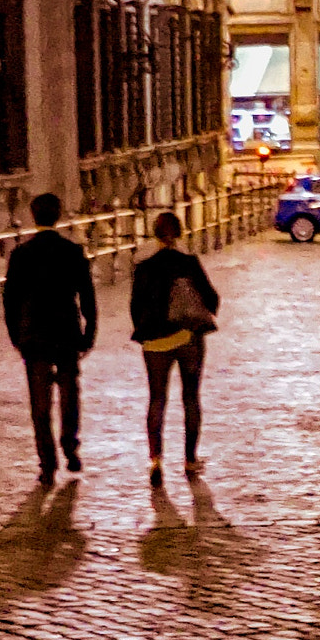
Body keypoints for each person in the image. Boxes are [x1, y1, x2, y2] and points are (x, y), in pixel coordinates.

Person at [2, 193, 97, 485]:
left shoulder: (21, 254)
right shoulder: (72, 251)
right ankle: (70, 447)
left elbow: (10, 300)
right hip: (66, 331)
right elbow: (88, 296)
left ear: (33, 216)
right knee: (70, 396)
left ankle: (47, 463)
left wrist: (16, 335)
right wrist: (89, 333)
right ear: (58, 215)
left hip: (34, 335)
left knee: (40, 404)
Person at [131, 209, 220, 490]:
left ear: (155, 234)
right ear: (179, 233)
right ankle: (190, 459)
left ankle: (156, 460)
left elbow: (135, 307)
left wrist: (148, 331)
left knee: (157, 398)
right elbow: (212, 299)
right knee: (191, 398)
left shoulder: (144, 267)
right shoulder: (189, 263)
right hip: (189, 338)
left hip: (155, 343)